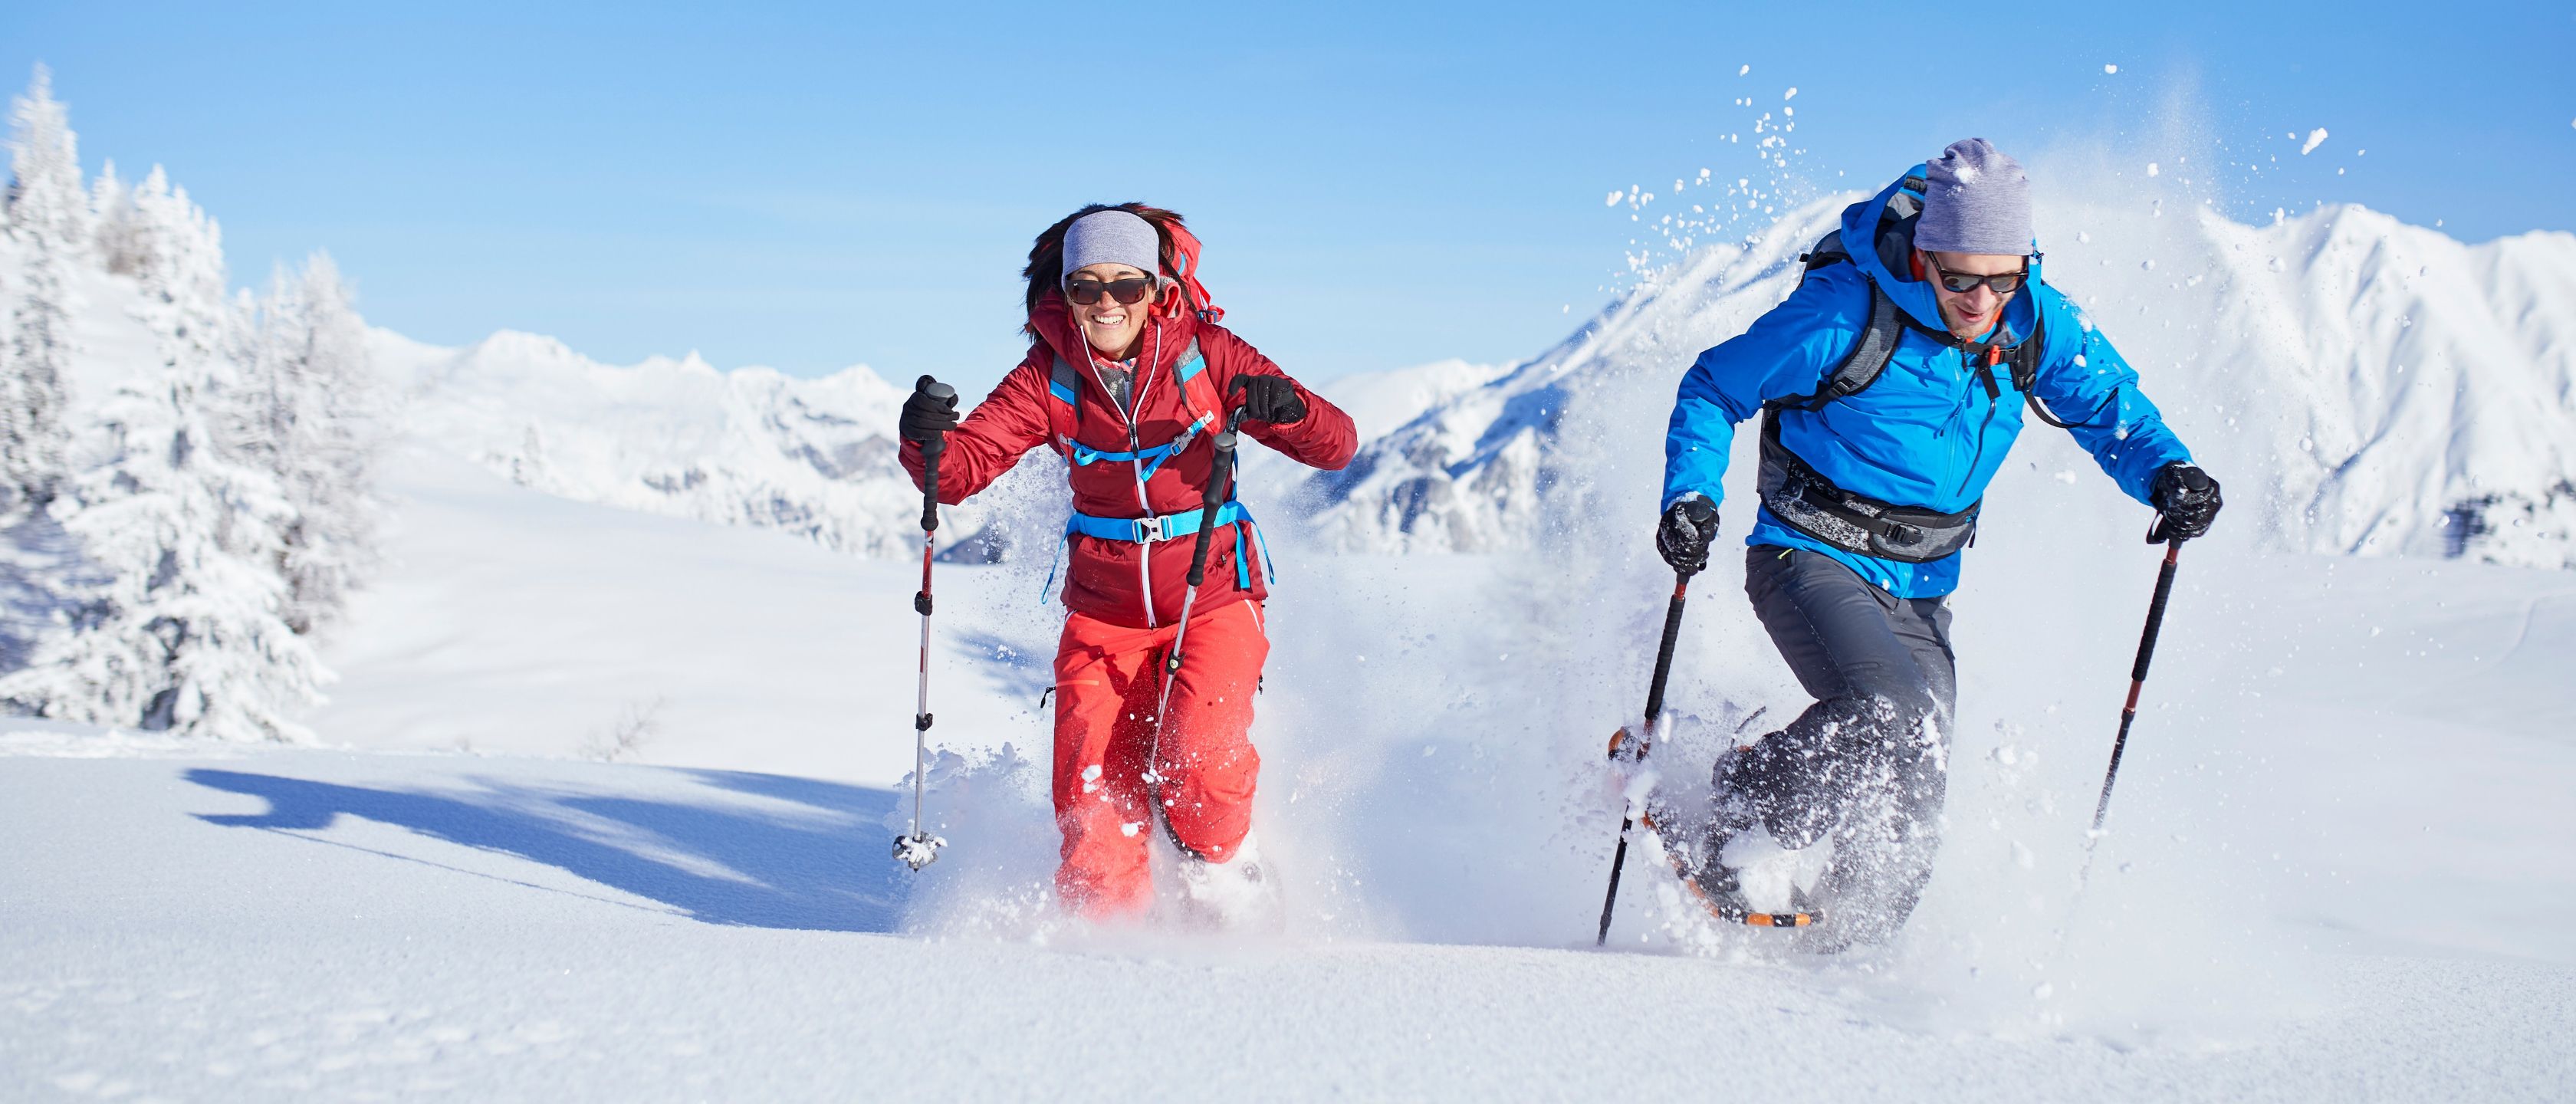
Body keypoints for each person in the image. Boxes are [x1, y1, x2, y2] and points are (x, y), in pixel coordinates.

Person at [1651, 139, 2224, 945]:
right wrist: (1691, 495)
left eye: (2003, 278)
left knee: (1912, 808)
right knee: (1883, 715)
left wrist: (2169, 470)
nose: (1981, 301)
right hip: (1807, 553)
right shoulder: (1846, 313)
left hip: (1922, 587)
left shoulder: (2035, 320)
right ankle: (1729, 810)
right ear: (1925, 258)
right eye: (1960, 279)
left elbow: (2108, 405)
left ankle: (1846, 941)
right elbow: (1713, 386)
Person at [898, 204, 1355, 926]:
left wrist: (1287, 409)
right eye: (1086, 287)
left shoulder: (1210, 354)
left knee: (1200, 758)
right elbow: (958, 472)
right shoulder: (1048, 376)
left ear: (1158, 287)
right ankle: (1102, 956)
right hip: (1104, 612)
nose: (1106, 303)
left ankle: (1227, 879)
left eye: (1125, 284)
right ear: (1066, 293)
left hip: (1211, 594)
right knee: (1091, 800)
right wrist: (925, 443)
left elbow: (1337, 445)